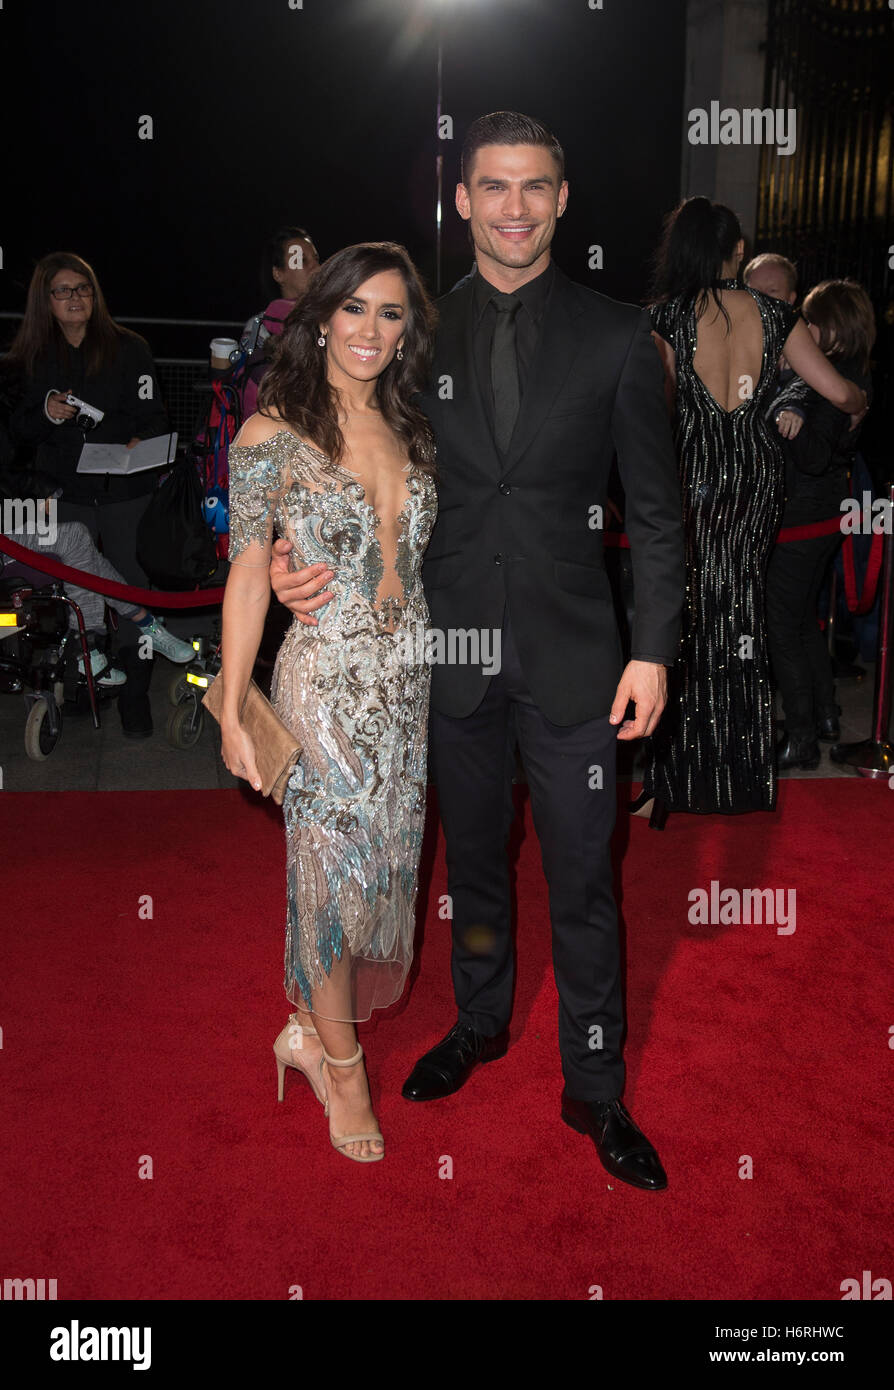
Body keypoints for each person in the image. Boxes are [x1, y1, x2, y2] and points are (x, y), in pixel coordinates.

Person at [271, 111, 686, 1192]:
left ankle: (596, 1088)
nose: (513, 208)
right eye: (493, 188)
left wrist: (651, 651)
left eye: (535, 187)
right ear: (462, 200)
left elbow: (657, 511)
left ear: (562, 199)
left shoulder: (618, 335)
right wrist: (285, 558)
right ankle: (479, 1023)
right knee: (476, 868)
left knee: (586, 873)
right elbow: (340, 461)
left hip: (576, 656)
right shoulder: (415, 332)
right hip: (446, 648)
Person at [219, 242, 437, 1163]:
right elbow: (245, 572)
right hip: (325, 687)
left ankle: (305, 1031)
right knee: (332, 879)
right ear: (319, 318)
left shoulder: (417, 431)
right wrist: (232, 707)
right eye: (355, 310)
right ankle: (339, 1066)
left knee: (385, 868)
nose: (371, 331)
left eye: (391, 315)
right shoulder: (271, 432)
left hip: (408, 687)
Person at [639, 198, 867, 823]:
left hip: (690, 487)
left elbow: (648, 420)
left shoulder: (662, 319)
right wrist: (858, 402)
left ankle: (684, 774)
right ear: (737, 252)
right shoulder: (775, 315)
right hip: (758, 488)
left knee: (688, 617)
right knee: (742, 614)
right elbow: (839, 391)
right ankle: (740, 774)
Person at [6, 252, 176, 737]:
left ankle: (135, 696)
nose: (75, 298)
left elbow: (156, 418)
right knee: (66, 595)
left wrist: (139, 440)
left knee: (130, 589)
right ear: (46, 301)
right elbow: (17, 432)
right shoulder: (30, 358)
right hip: (63, 493)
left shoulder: (130, 347)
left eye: (83, 288)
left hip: (126, 491)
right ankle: (84, 684)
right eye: (63, 291)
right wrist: (46, 413)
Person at [766, 279, 875, 767]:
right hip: (817, 514)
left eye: (810, 320)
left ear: (830, 328)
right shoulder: (842, 375)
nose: (802, 328)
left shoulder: (836, 380)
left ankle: (803, 737)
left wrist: (788, 420)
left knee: (782, 627)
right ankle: (825, 715)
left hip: (804, 517)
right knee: (803, 622)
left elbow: (812, 456)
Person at [0, 467, 195, 685]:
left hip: (9, 522)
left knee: (84, 551)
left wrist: (43, 490)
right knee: (77, 537)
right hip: (5, 540)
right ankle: (91, 644)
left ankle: (137, 626)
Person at [236, 227, 320, 417]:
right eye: (300, 260)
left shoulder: (334, 321)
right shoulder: (259, 326)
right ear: (278, 274)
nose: (315, 266)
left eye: (315, 258)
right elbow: (258, 384)